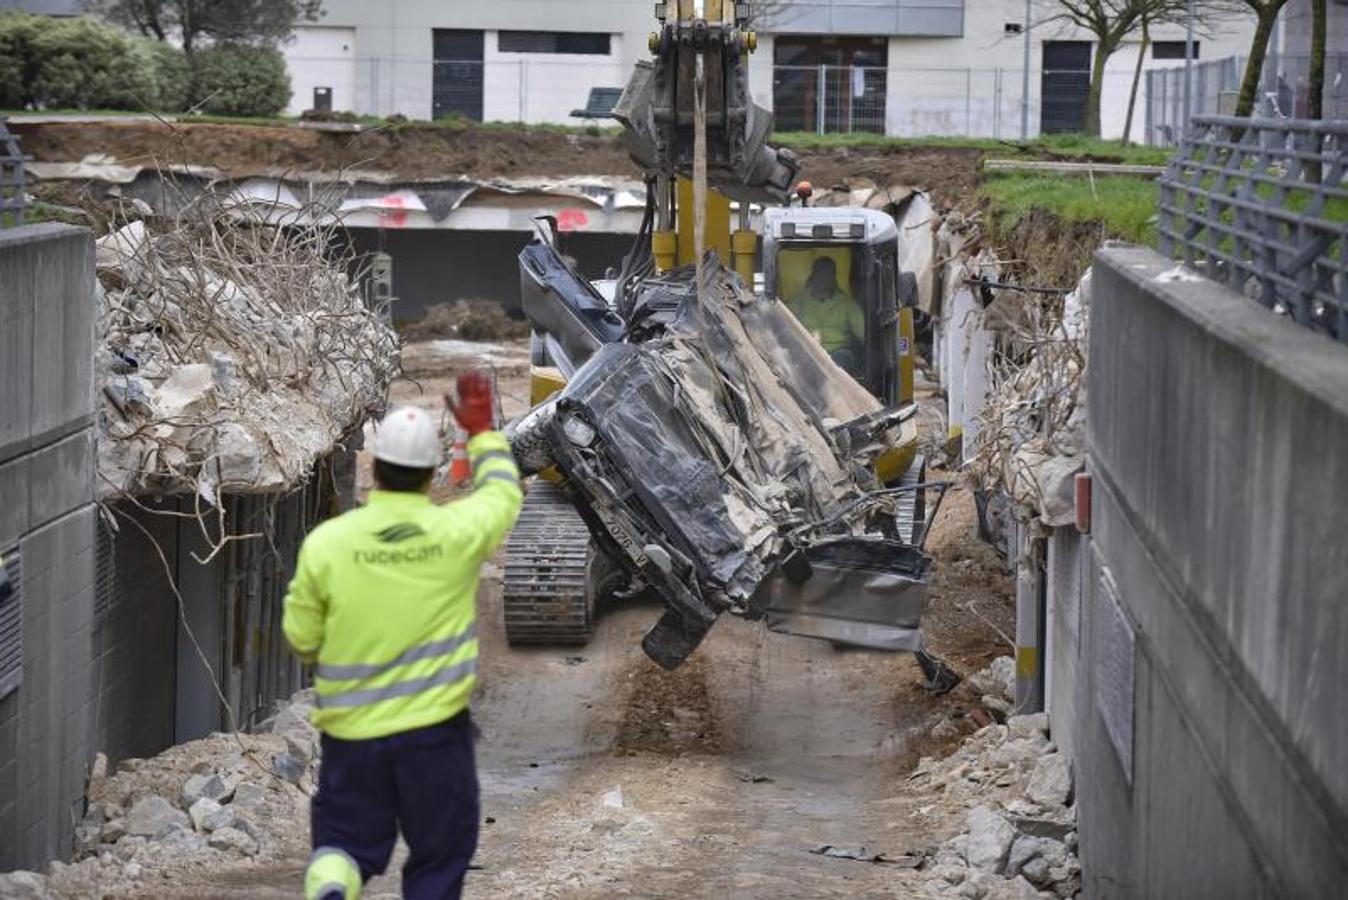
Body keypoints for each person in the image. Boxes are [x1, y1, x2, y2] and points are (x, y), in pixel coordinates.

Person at [283, 371, 523, 900]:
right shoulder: (456, 533)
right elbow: (505, 495)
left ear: (377, 467)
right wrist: (482, 432)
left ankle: (330, 889)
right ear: (430, 472)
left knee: (343, 844)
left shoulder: (330, 543)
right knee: (439, 856)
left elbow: (300, 634)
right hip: (434, 737)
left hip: (352, 737)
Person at [787, 256, 865, 368]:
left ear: (834, 277)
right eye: (820, 273)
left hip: (838, 351)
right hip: (806, 350)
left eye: (828, 274)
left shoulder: (847, 304)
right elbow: (784, 326)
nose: (824, 278)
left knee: (842, 358)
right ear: (813, 275)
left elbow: (864, 332)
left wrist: (895, 347)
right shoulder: (798, 301)